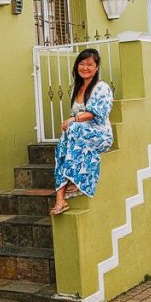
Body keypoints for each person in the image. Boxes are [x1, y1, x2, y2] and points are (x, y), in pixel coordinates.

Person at [50, 48, 114, 216]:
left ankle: (76, 178)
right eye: (82, 63)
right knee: (61, 145)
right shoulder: (75, 89)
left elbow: (95, 113)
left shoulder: (102, 88)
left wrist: (73, 120)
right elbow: (74, 117)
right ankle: (60, 198)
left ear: (97, 67)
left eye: (90, 64)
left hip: (100, 134)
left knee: (72, 129)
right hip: (80, 133)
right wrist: (72, 123)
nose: (85, 68)